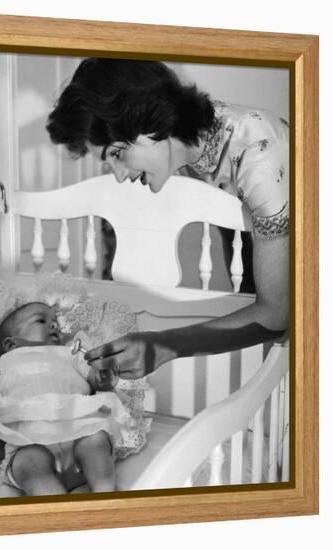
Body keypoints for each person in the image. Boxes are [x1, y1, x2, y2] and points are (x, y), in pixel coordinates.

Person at [46, 58, 289, 380]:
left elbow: (277, 312)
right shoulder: (192, 144)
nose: (118, 176)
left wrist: (164, 345)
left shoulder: (259, 159)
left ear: (153, 121)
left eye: (117, 153)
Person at [0, 301, 134, 496]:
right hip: (29, 439)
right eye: (41, 321)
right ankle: (54, 501)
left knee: (96, 440)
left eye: (56, 324)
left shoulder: (71, 354)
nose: (54, 326)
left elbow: (96, 382)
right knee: (27, 463)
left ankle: (104, 492)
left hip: (79, 427)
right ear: (11, 343)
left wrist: (102, 376)